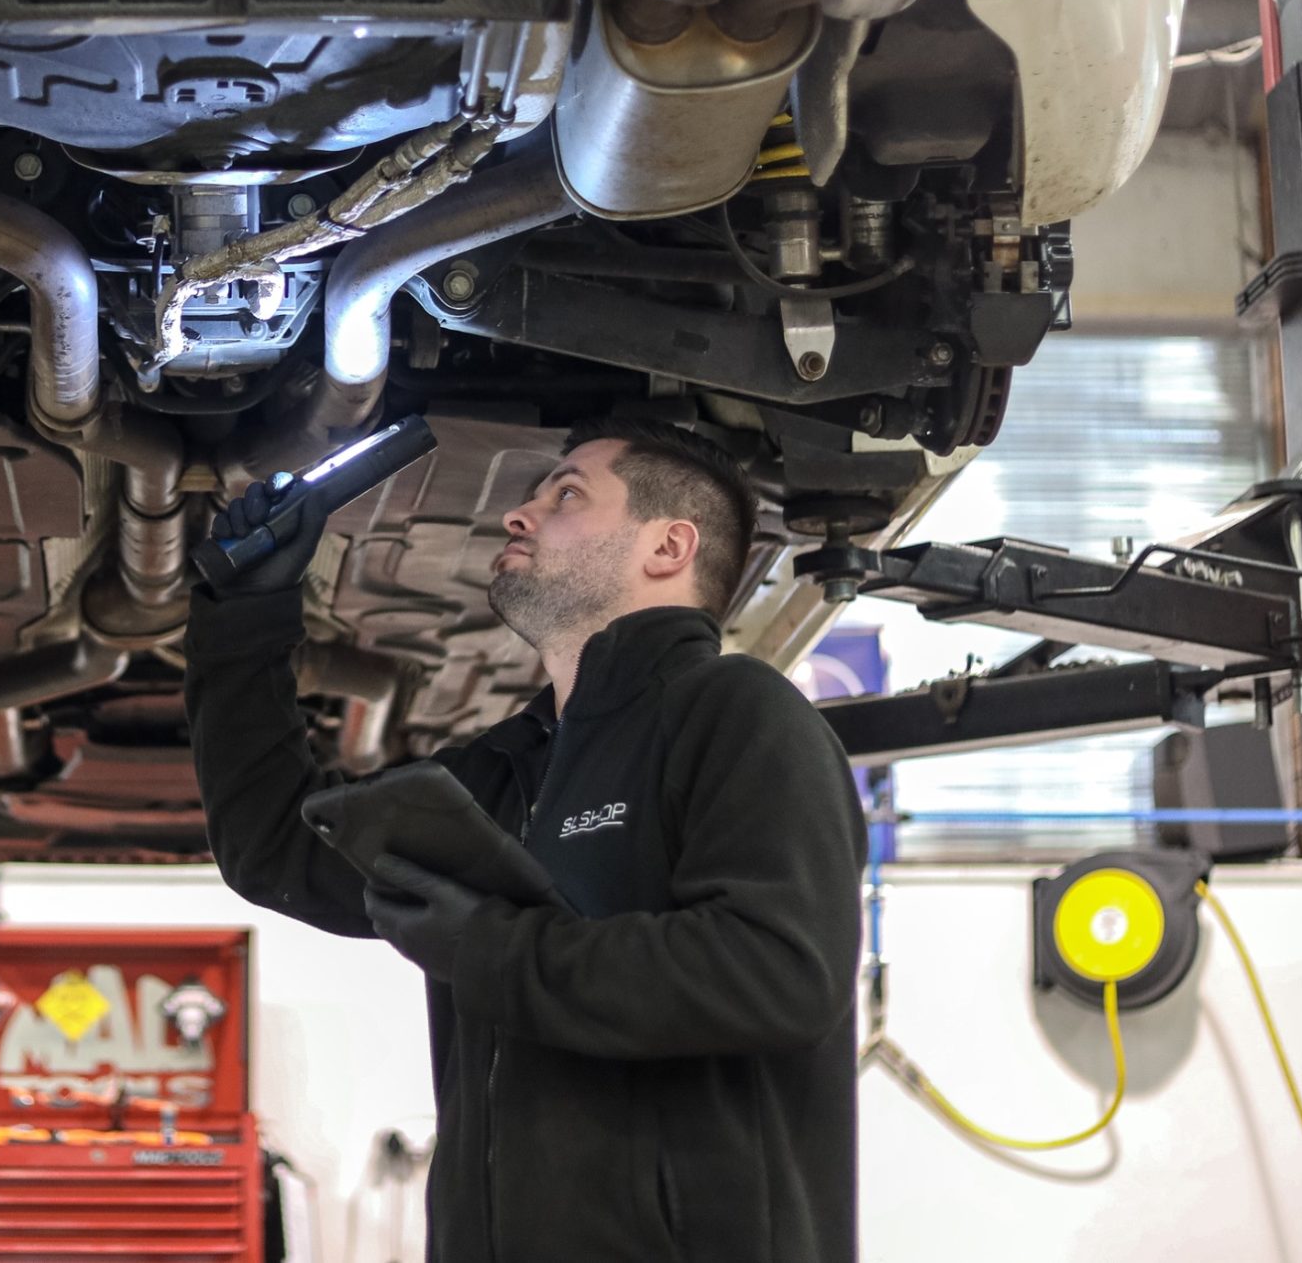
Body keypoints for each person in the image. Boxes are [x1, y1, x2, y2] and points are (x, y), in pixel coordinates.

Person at [185, 417, 866, 1263]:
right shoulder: (510, 765)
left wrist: (490, 947)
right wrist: (245, 615)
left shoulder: (738, 712)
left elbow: (778, 973)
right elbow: (275, 849)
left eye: (567, 493)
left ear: (668, 545)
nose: (518, 512)